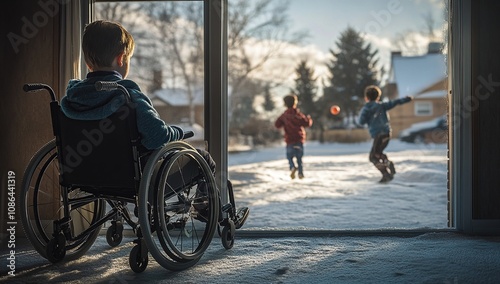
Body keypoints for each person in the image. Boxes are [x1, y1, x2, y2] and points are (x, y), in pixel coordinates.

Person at [358, 85, 413, 183]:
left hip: (378, 135)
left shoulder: (366, 108)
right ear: (378, 97)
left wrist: (366, 116)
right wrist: (406, 99)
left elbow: (361, 122)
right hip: (387, 134)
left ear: (366, 97)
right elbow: (395, 102)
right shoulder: (382, 105)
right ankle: (387, 164)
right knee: (378, 153)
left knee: (373, 157)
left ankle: (386, 174)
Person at [274, 94, 313, 179]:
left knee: (289, 157)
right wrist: (309, 119)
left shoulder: (284, 115)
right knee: (299, 158)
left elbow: (277, 125)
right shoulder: (298, 114)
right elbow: (306, 123)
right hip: (299, 139)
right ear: (295, 103)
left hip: (289, 140)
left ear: (285, 104)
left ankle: (292, 167)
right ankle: (300, 173)